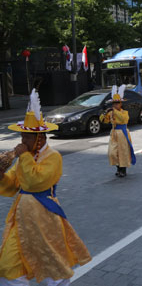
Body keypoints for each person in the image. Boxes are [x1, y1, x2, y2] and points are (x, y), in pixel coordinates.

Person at [1, 89, 91, 285]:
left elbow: (35, 182)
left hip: (44, 217)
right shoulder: (25, 158)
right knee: (8, 265)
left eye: (27, 137)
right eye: (22, 136)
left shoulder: (53, 157)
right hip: (21, 219)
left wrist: (23, 155)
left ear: (40, 138)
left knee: (51, 260)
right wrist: (2, 177)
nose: (22, 141)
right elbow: (12, 185)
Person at [100, 85, 136, 177]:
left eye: (117, 103)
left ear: (121, 104)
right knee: (112, 153)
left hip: (122, 133)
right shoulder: (111, 112)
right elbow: (104, 121)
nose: (115, 105)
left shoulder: (124, 112)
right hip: (114, 133)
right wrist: (105, 113)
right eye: (114, 103)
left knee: (123, 152)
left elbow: (123, 119)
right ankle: (118, 167)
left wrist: (114, 111)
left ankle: (122, 170)